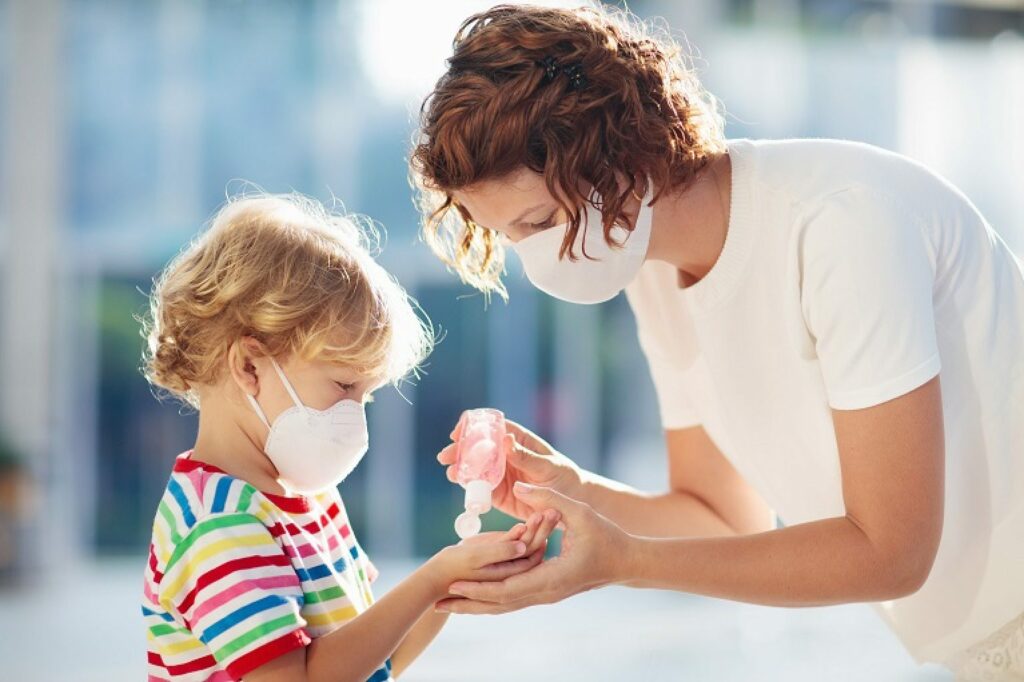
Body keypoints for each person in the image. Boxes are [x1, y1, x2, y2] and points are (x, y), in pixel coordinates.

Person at [410, 4, 1024, 679]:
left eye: (538, 221)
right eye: (509, 237)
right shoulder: (653, 273)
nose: (534, 259)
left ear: (619, 150)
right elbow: (723, 519)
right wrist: (574, 492)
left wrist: (626, 564)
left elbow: (892, 552)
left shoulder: (840, 224)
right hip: (972, 647)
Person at [139, 194, 560, 681]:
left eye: (367, 394)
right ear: (249, 365)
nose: (356, 415)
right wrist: (432, 579)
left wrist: (454, 582)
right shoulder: (217, 524)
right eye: (344, 385)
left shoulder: (310, 497)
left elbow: (374, 665)